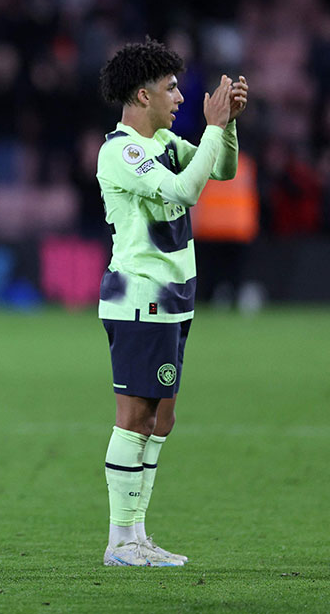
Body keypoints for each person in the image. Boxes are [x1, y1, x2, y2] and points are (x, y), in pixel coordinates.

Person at [96, 39, 247, 567]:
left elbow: (220, 170)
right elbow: (184, 191)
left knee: (162, 419)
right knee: (135, 418)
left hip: (175, 297)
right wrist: (212, 127)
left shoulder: (162, 140)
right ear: (143, 94)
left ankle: (138, 535)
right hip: (142, 297)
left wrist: (226, 126)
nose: (180, 97)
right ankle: (120, 540)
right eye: (171, 88)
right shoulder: (123, 151)